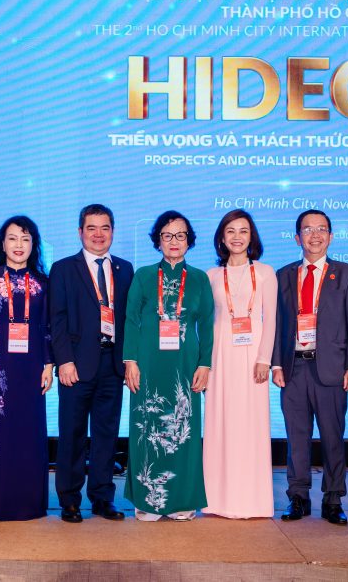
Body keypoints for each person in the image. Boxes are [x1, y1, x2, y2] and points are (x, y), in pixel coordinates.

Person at [273, 209, 348, 526]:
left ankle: (333, 498)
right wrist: (276, 363)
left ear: (331, 236)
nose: (315, 235)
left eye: (322, 229)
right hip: (294, 368)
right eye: (308, 229)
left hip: (332, 370)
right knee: (296, 438)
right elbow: (277, 323)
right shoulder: (283, 275)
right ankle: (298, 496)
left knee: (332, 437)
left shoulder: (347, 274)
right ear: (297, 238)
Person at [123, 211, 214, 521]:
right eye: (167, 235)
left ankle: (181, 500)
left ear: (189, 241)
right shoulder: (143, 275)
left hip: (185, 366)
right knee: (146, 428)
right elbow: (131, 320)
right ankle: (148, 501)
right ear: (158, 240)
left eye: (180, 235)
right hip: (148, 364)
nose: (174, 241)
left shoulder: (199, 278)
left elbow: (207, 324)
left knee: (183, 430)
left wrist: (205, 364)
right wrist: (130, 361)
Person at [0, 215, 54, 521]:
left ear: (34, 246)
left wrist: (49, 364)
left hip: (31, 368)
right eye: (13, 238)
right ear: (2, 244)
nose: (19, 245)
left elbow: (46, 327)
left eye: (26, 239)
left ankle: (28, 504)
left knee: (28, 433)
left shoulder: (42, 283)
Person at [49, 204, 133, 523]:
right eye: (91, 228)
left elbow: (129, 320)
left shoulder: (125, 269)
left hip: (112, 365)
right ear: (80, 232)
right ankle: (69, 500)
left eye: (105, 228)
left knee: (106, 435)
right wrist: (64, 361)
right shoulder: (63, 269)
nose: (98, 234)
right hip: (76, 366)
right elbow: (56, 320)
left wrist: (128, 361)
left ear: (113, 231)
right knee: (71, 435)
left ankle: (102, 498)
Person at [203, 209, 277, 519]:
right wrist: (204, 364)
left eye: (243, 231)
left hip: (252, 358)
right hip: (220, 357)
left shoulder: (265, 272)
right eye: (230, 231)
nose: (237, 237)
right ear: (222, 237)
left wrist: (264, 359)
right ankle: (217, 499)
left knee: (251, 426)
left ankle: (252, 500)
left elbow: (271, 319)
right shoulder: (210, 275)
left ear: (252, 237)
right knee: (221, 425)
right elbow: (206, 323)